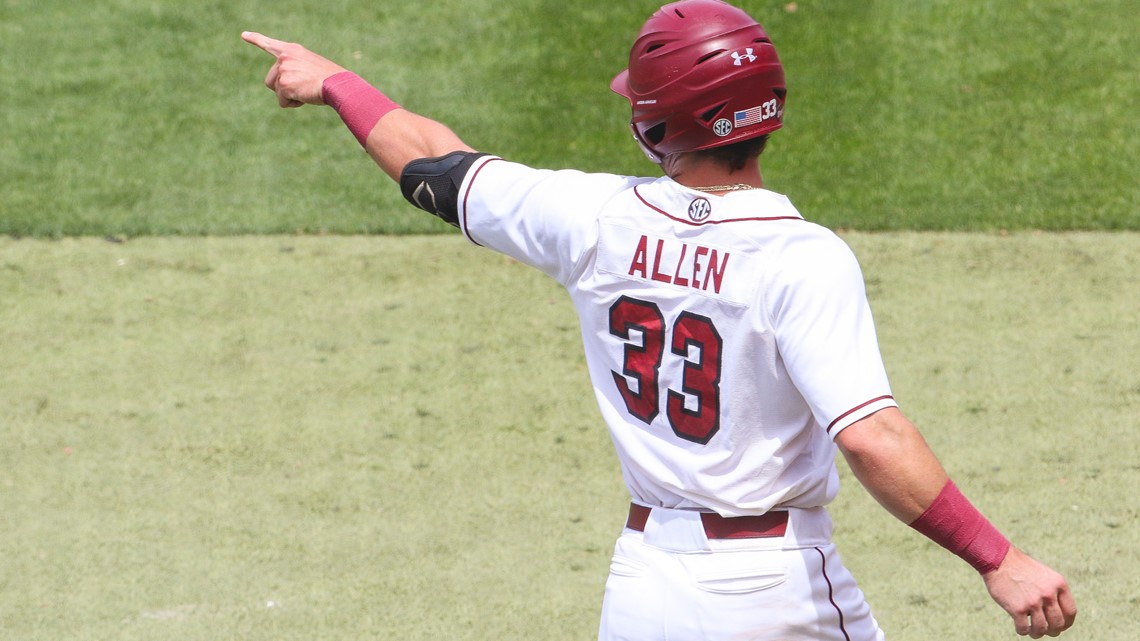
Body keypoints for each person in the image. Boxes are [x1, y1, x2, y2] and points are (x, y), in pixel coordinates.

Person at [242, 1, 1077, 638]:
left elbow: (432, 163)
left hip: (644, 586)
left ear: (656, 121)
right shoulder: (801, 255)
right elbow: (871, 436)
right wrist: (998, 559)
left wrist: (335, 82)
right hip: (775, 588)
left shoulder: (594, 218)